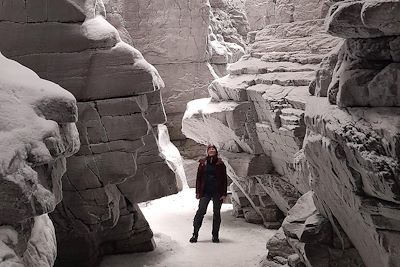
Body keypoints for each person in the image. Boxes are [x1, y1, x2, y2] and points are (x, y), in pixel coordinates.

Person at [189, 145, 228, 243]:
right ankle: (195, 234)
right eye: (210, 149)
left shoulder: (220, 164)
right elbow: (198, 178)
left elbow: (224, 179)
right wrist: (198, 192)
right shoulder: (203, 163)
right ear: (207, 151)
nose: (211, 150)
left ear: (216, 151)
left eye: (213, 149)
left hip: (217, 192)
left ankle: (215, 236)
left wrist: (224, 193)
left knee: (216, 214)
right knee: (200, 212)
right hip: (205, 191)